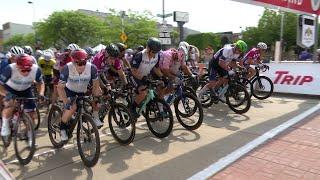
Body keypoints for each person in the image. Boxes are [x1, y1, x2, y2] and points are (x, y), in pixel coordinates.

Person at [57, 49, 102, 142]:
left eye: (84, 63)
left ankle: (96, 117)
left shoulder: (92, 68)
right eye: (78, 63)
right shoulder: (67, 68)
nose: (82, 66)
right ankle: (62, 128)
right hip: (69, 90)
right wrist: (66, 102)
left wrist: (95, 98)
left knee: (97, 101)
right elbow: (60, 88)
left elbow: (96, 85)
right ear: (73, 62)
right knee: (72, 108)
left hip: (82, 91)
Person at [0, 54, 44, 146]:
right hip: (10, 89)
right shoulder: (9, 69)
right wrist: (6, 94)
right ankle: (5, 124)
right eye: (23, 70)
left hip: (25, 90)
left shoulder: (36, 70)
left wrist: (41, 93)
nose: (26, 72)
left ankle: (30, 137)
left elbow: (40, 83)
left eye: (28, 70)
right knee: (9, 104)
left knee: (31, 115)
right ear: (17, 66)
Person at [130, 37, 164, 118]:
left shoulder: (157, 56)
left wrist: (163, 77)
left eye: (156, 52)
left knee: (159, 85)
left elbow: (156, 68)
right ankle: (132, 107)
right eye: (153, 51)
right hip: (134, 76)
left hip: (145, 75)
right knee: (143, 91)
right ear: (148, 48)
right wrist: (142, 78)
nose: (154, 54)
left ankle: (148, 105)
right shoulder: (140, 55)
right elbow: (133, 70)